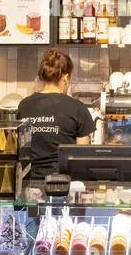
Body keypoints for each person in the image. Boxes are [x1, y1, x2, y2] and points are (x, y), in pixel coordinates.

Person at [16, 49, 95, 182]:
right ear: (66, 77)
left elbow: (21, 148)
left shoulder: (24, 105)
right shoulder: (77, 108)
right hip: (63, 184)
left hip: (28, 183)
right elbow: (81, 159)